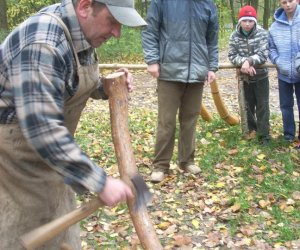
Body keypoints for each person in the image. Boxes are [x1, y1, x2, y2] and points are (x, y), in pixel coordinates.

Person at [0, 0, 146, 249]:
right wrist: (100, 182)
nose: (117, 33)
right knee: (21, 233)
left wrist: (106, 88)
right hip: (16, 158)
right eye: (112, 21)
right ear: (85, 6)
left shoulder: (81, 34)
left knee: (61, 234)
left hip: (51, 155)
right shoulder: (43, 41)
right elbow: (41, 126)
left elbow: (66, 82)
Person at [141, 0, 219, 182]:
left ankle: (186, 161)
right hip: (169, 70)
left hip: (197, 72)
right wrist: (152, 60)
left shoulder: (208, 4)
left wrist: (212, 67)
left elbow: (212, 39)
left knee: (190, 119)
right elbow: (150, 30)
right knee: (166, 121)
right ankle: (160, 165)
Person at [228, 5, 270, 145]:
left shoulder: (262, 33)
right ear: (240, 21)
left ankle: (264, 135)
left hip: (261, 76)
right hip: (244, 77)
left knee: (263, 106)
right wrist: (244, 64)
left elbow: (264, 54)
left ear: (254, 22)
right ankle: (251, 131)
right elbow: (232, 55)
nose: (247, 24)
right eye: (244, 20)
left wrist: (250, 61)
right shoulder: (234, 35)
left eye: (250, 21)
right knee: (248, 105)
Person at [268, 0, 300, 143]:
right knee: (286, 105)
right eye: (284, 2)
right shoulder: (275, 26)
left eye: (290, 1)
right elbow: (271, 48)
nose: (288, 5)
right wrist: (278, 61)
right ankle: (288, 135)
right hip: (284, 73)